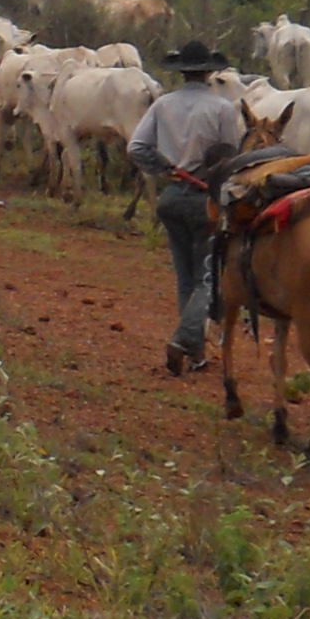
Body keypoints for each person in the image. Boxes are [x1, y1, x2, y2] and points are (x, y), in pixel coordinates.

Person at [127, 42, 252, 374]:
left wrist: (167, 169)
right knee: (209, 278)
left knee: (185, 278)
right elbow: (231, 156)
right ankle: (184, 339)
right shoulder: (224, 109)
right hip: (206, 199)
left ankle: (195, 354)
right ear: (209, 72)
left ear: (181, 72)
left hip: (172, 198)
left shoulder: (163, 105)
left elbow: (137, 147)